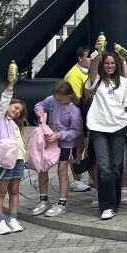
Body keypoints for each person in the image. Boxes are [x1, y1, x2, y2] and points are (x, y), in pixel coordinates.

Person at [84, 50, 127, 220]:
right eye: (107, 63)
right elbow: (92, 73)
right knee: (104, 167)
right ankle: (107, 206)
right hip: (98, 128)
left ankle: (114, 200)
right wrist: (98, 55)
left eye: (113, 63)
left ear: (116, 65)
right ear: (102, 65)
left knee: (116, 166)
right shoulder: (96, 81)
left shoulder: (124, 82)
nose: (110, 66)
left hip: (119, 128)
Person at [31, 81, 82, 218]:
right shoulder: (52, 100)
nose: (58, 100)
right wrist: (39, 110)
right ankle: (43, 199)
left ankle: (62, 203)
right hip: (49, 141)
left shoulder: (74, 110)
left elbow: (76, 131)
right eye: (56, 98)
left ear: (69, 95)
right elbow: (40, 104)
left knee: (62, 171)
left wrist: (59, 135)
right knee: (43, 168)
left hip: (66, 144)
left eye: (61, 99)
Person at [0, 81, 27, 234]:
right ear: (7, 105)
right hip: (4, 161)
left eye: (20, 111)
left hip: (18, 160)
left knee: (15, 190)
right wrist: (10, 88)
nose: (17, 112)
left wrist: (24, 159)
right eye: (15, 108)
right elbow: (2, 103)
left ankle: (13, 218)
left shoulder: (13, 124)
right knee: (1, 191)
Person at [63, 45, 93, 193]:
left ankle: (91, 177)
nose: (91, 59)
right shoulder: (74, 75)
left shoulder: (90, 71)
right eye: (88, 57)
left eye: (92, 56)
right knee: (77, 148)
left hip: (87, 116)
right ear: (80, 58)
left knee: (87, 147)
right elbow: (75, 100)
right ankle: (77, 179)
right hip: (77, 117)